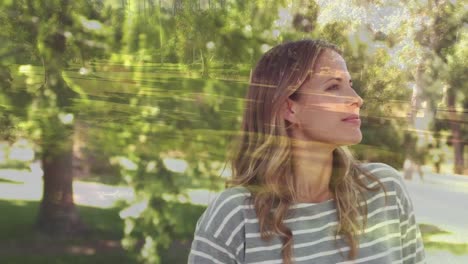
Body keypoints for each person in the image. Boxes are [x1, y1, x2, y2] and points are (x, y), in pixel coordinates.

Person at [188, 39, 425, 264]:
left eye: (350, 85)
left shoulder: (384, 190)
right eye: (333, 87)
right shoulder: (235, 216)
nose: (356, 99)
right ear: (289, 108)